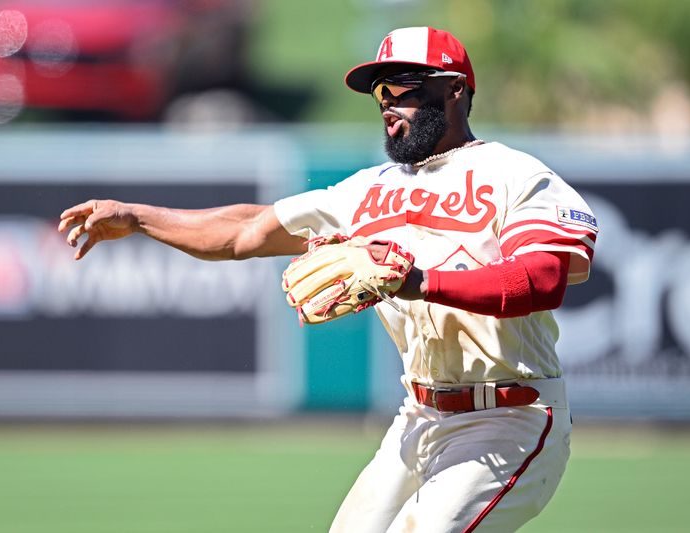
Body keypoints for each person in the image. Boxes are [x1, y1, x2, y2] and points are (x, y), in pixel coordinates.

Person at [59, 26, 598, 532]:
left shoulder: (516, 175)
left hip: (510, 418)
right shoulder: (367, 190)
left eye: (404, 84)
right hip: (418, 420)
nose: (387, 99)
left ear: (454, 89)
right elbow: (246, 230)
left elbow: (544, 277)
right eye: (379, 90)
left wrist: (418, 282)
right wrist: (138, 217)